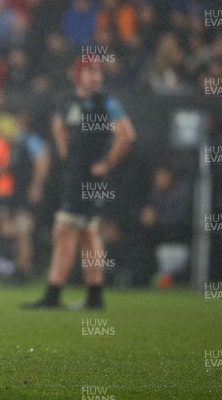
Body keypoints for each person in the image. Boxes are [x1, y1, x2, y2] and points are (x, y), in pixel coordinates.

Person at [23, 58, 136, 310]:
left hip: (91, 177)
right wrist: (66, 156)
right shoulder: (66, 99)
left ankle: (53, 294)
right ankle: (94, 297)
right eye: (89, 71)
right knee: (88, 232)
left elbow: (127, 135)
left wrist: (107, 163)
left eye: (98, 72)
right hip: (73, 175)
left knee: (64, 230)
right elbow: (58, 125)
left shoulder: (106, 102)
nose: (95, 77)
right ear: (78, 75)